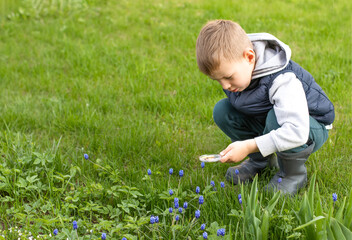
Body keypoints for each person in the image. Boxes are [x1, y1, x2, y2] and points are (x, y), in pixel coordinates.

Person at [196, 20, 334, 195]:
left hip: (309, 126)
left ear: (249, 57)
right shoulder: (238, 72)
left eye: (228, 77)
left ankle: (292, 174)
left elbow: (296, 131)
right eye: (218, 80)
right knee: (223, 111)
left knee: (275, 118)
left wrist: (249, 146)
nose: (225, 86)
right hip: (273, 119)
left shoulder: (282, 80)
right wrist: (254, 147)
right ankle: (260, 162)